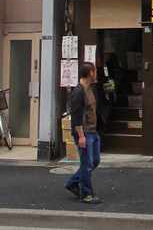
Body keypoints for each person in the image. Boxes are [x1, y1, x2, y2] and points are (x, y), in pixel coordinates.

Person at [65, 62, 102, 204]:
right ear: (90, 73)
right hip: (84, 132)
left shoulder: (90, 89)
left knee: (94, 161)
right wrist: (81, 136)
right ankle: (87, 194)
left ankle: (73, 182)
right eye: (95, 71)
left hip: (93, 131)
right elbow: (76, 117)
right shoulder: (78, 92)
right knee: (87, 163)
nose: (96, 74)